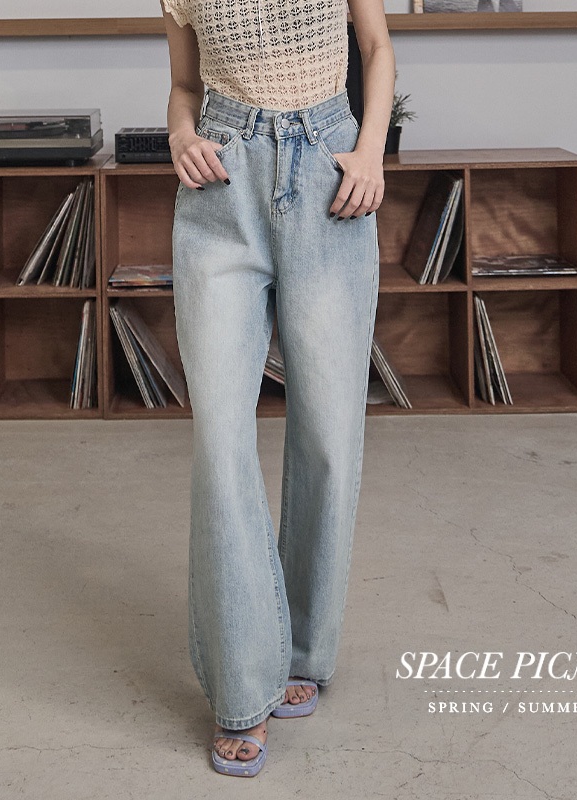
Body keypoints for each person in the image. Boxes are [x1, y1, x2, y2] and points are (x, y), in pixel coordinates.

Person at [160, 0, 395, 777]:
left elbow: (375, 46)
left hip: (329, 172)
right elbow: (184, 85)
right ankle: (240, 690)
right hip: (222, 184)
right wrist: (181, 135)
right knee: (221, 442)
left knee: (328, 433)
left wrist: (370, 152)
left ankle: (302, 650)